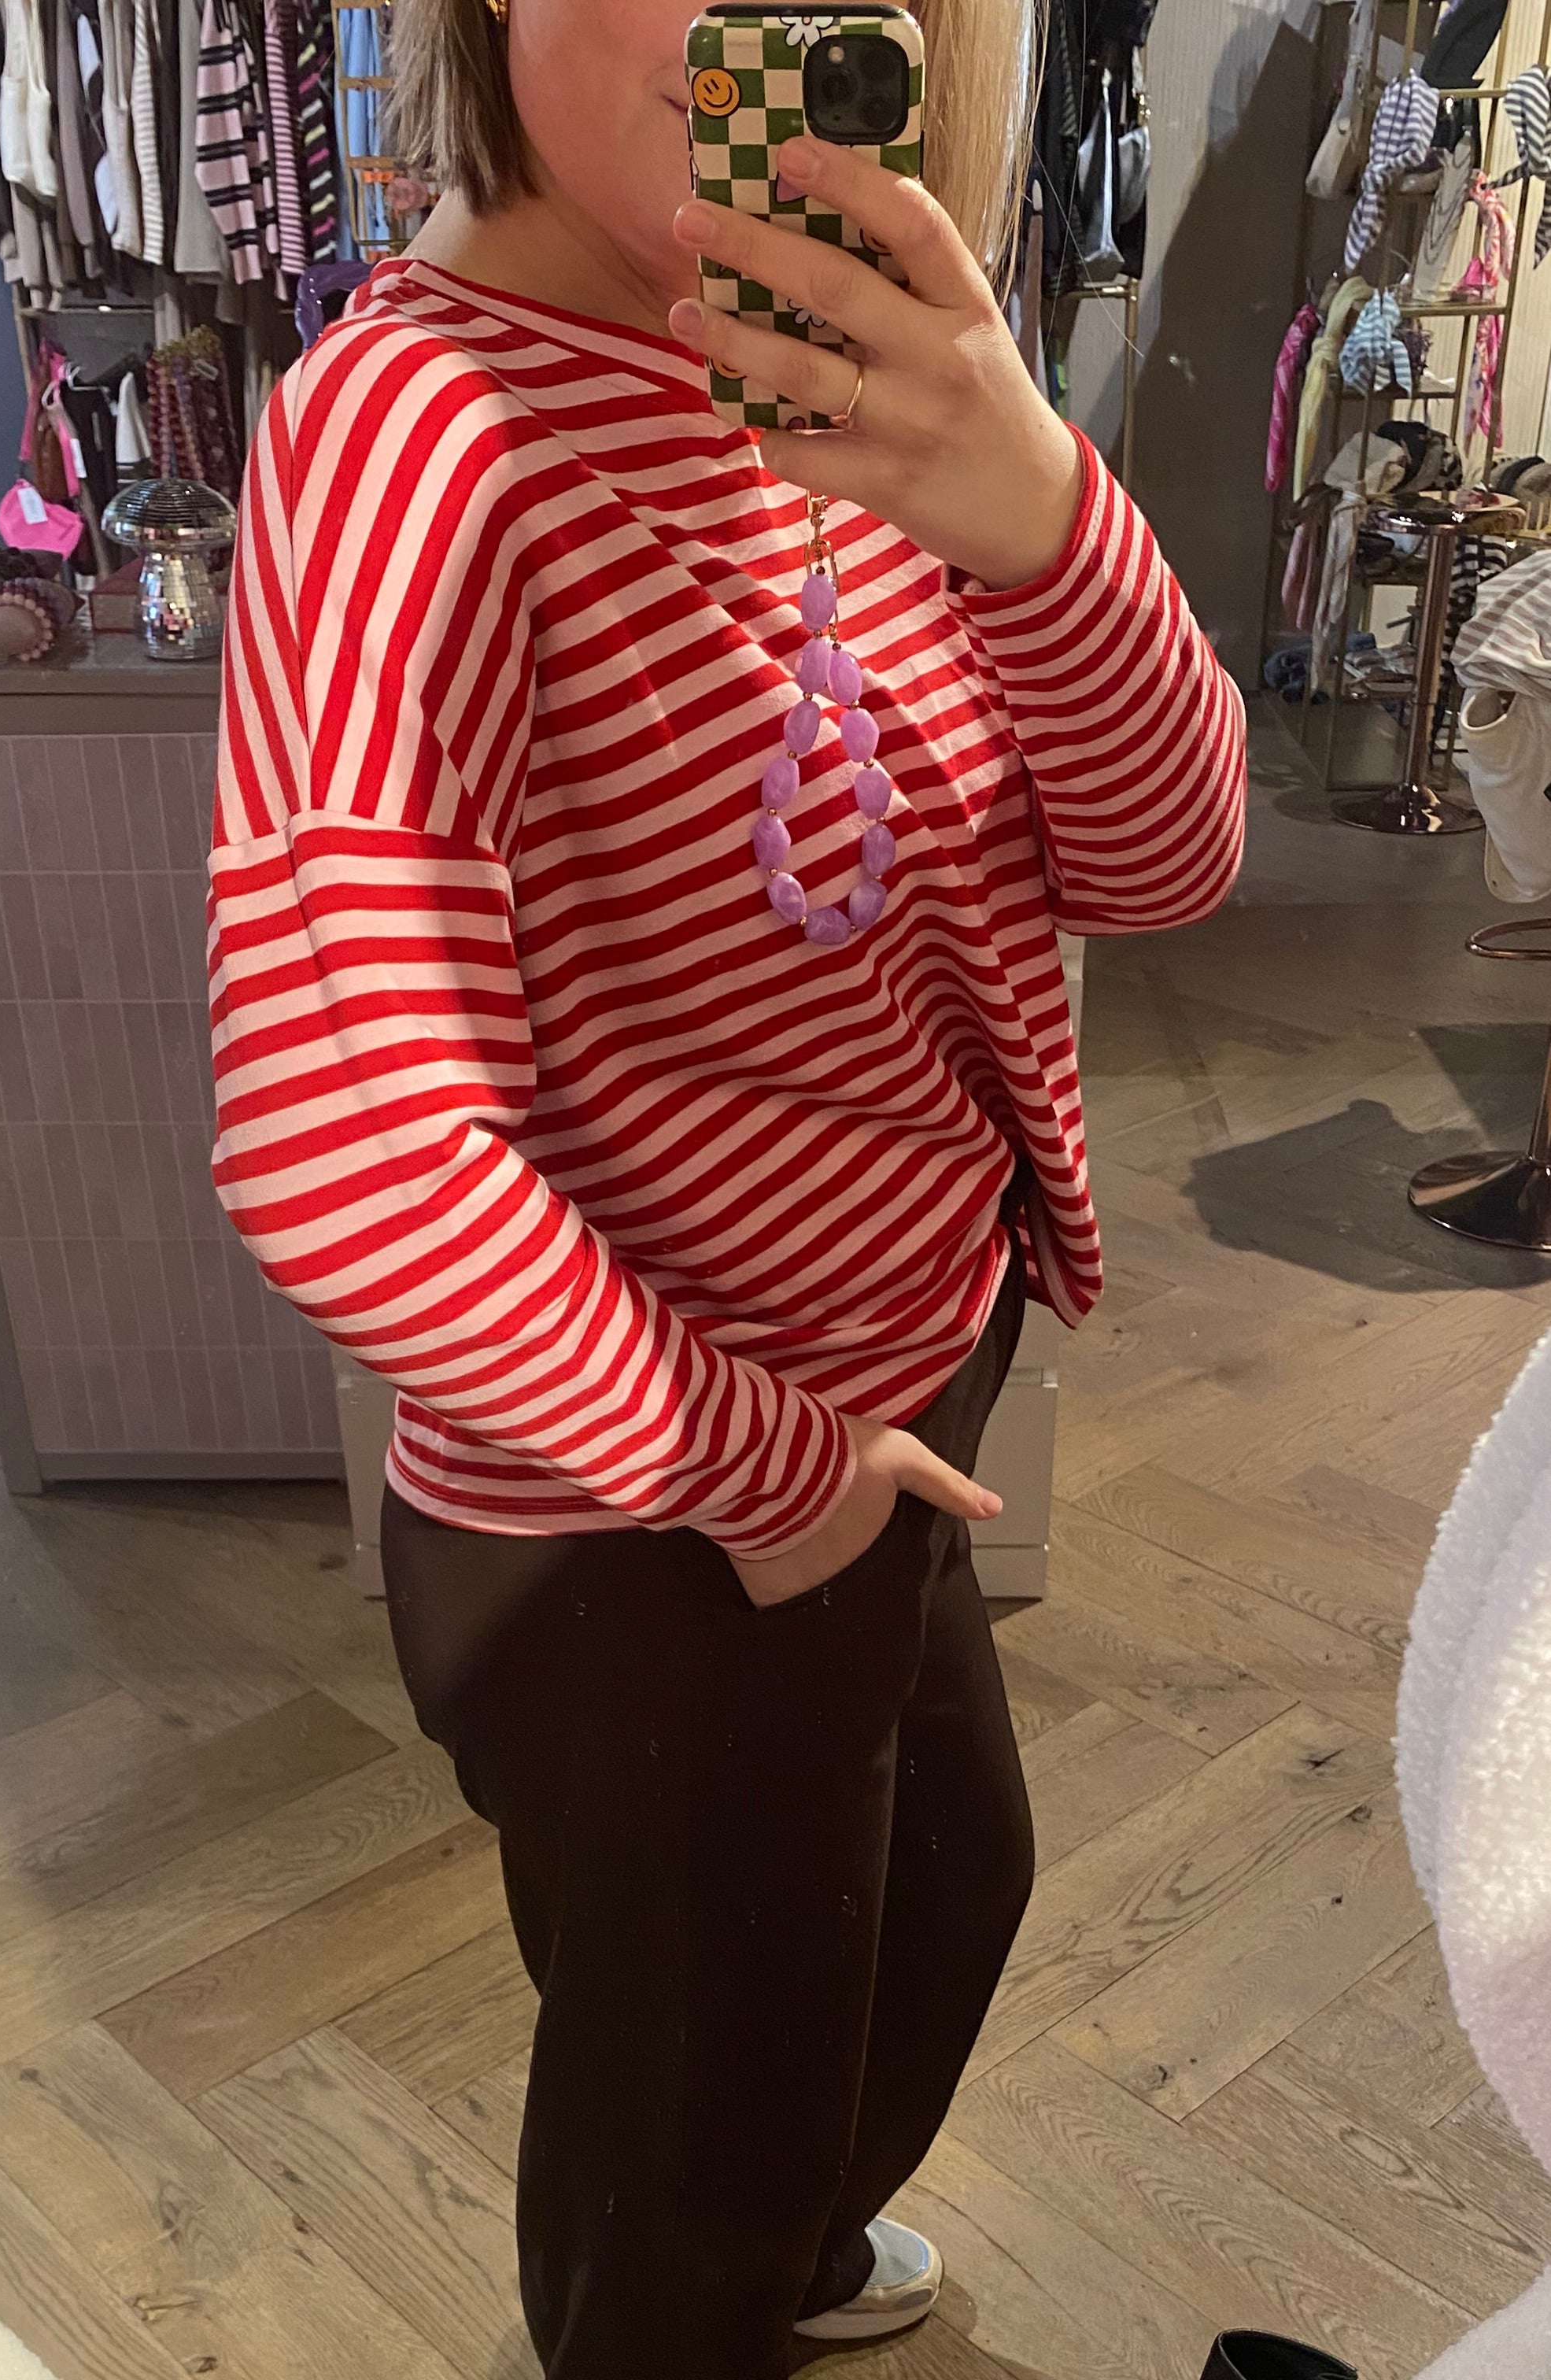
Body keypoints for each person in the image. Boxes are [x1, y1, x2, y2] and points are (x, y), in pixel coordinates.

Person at [205, 0, 1246, 2371]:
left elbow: (1162, 864)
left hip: (890, 1415)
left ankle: (776, 2248)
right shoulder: (415, 439)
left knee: (935, 1897)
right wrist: (763, 1477)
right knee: (693, 2116)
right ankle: (708, 2295)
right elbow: (344, 1133)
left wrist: (1046, 519)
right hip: (649, 1513)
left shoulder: (874, 371)